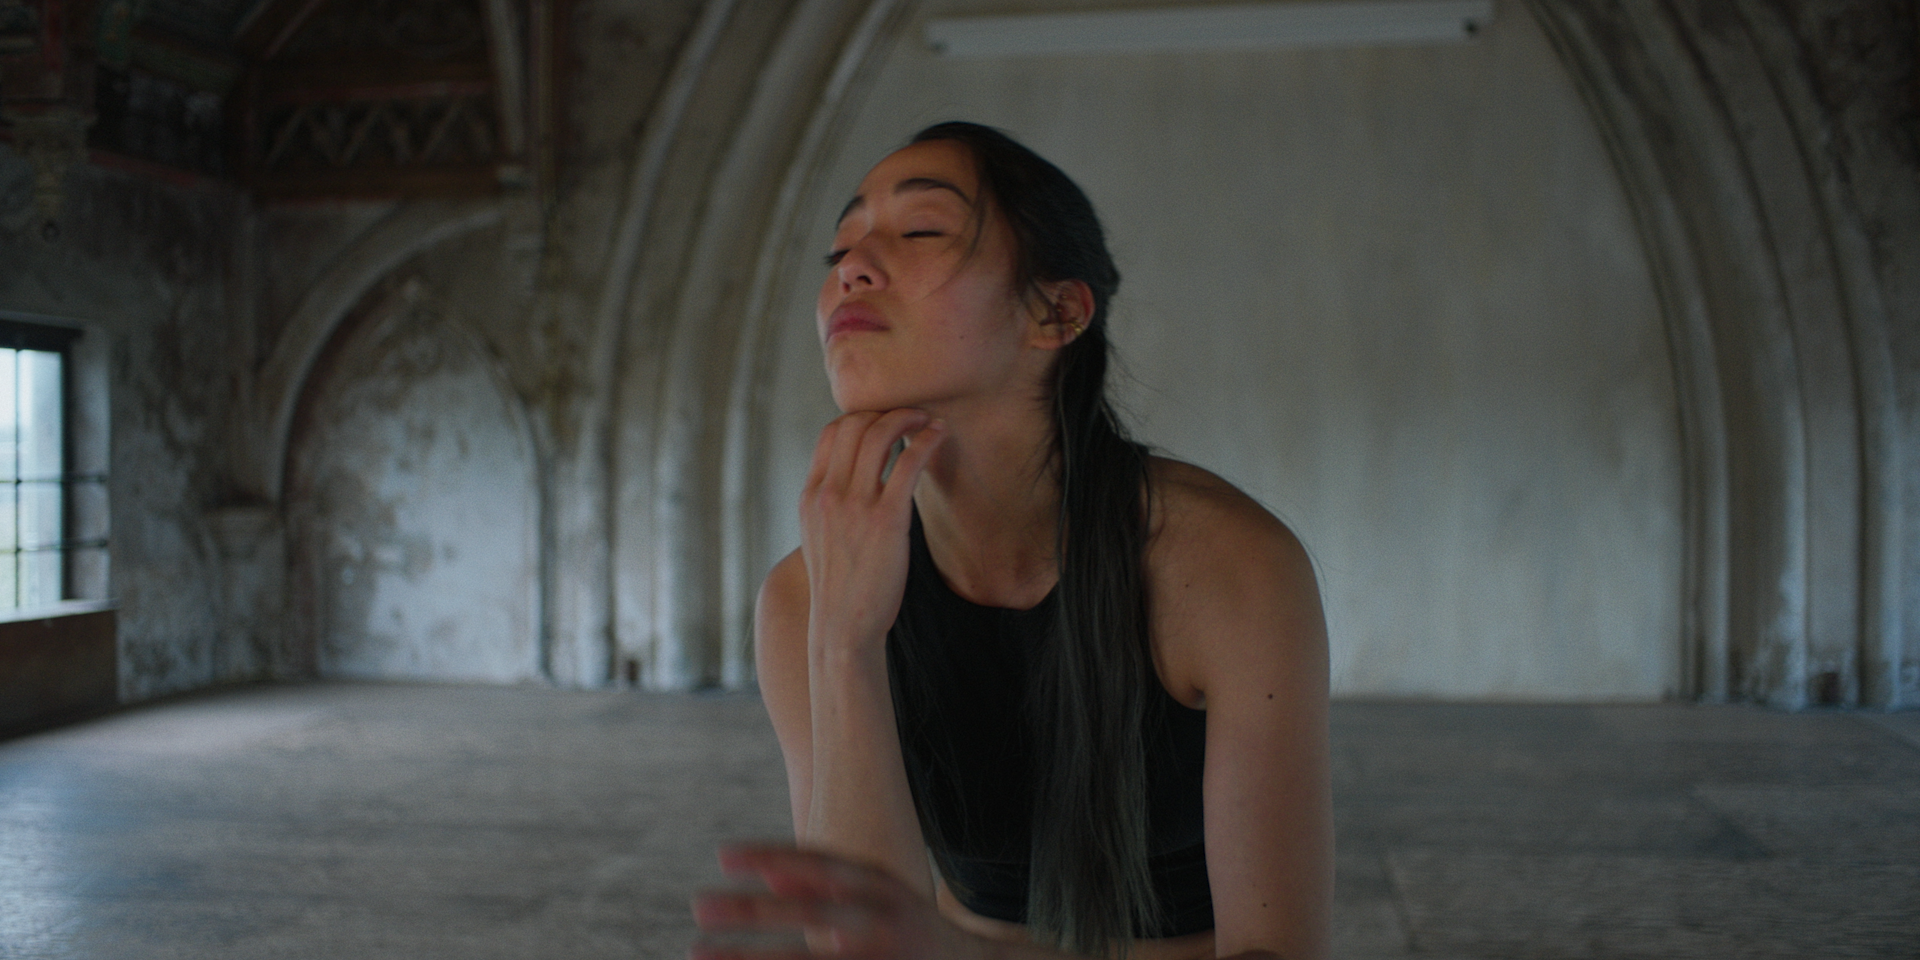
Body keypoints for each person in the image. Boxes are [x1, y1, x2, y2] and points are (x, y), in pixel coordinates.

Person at [693, 122, 1331, 960]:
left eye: (922, 230)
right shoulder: (804, 597)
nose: (853, 267)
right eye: (839, 249)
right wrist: (845, 644)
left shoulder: (1226, 566)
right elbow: (863, 947)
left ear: (1055, 311)